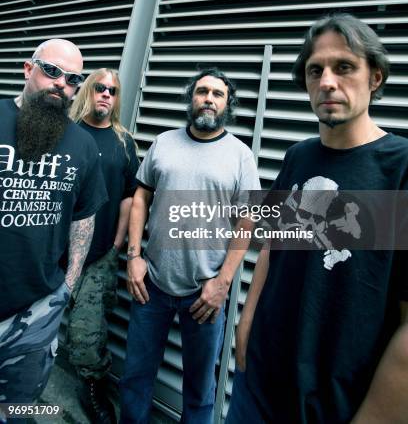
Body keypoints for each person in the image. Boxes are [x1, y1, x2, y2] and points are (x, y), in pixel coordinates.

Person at [225, 12, 408, 424]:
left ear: (375, 78)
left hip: (340, 403)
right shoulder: (298, 156)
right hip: (259, 386)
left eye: (344, 67)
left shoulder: (400, 168)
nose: (327, 81)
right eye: (315, 70)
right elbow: (275, 243)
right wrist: (247, 319)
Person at [120, 67, 261, 424]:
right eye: (202, 92)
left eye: (217, 94)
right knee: (136, 375)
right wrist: (133, 257)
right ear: (191, 98)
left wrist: (223, 283)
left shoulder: (240, 154)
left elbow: (247, 221)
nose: (208, 99)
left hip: (206, 292)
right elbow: (141, 198)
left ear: (227, 104)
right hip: (151, 283)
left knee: (200, 390)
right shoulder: (164, 142)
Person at [0, 39, 107, 416]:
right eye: (52, 71)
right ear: (29, 70)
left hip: (36, 312)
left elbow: (84, 217)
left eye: (73, 78)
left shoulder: (82, 145)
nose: (61, 83)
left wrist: (67, 287)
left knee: (17, 408)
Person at [66, 68, 139, 424]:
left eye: (112, 90)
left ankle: (91, 386)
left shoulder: (124, 143)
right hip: (56, 251)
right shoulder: (67, 133)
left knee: (88, 328)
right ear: (88, 91)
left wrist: (117, 243)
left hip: (100, 253)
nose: (106, 94)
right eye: (99, 88)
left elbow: (130, 196)